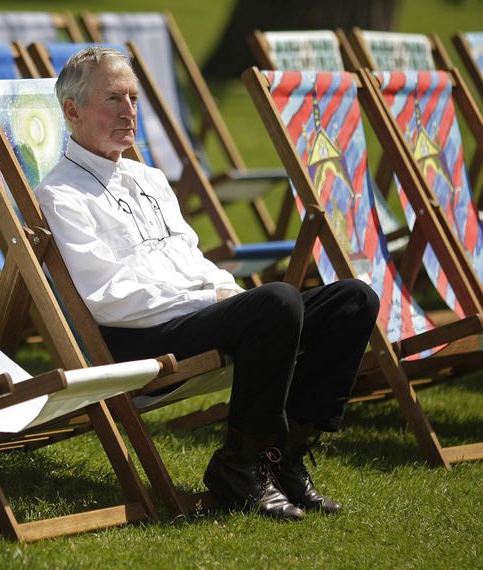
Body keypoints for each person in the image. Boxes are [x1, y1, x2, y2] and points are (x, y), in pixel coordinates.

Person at [34, 46, 379, 521]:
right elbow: (105, 298)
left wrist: (228, 298)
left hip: (192, 315)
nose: (129, 111)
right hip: (138, 335)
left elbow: (191, 259)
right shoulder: (59, 194)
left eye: (134, 98)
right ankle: (239, 465)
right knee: (277, 303)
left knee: (352, 299)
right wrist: (212, 300)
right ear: (71, 110)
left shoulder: (149, 178)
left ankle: (282, 460)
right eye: (113, 99)